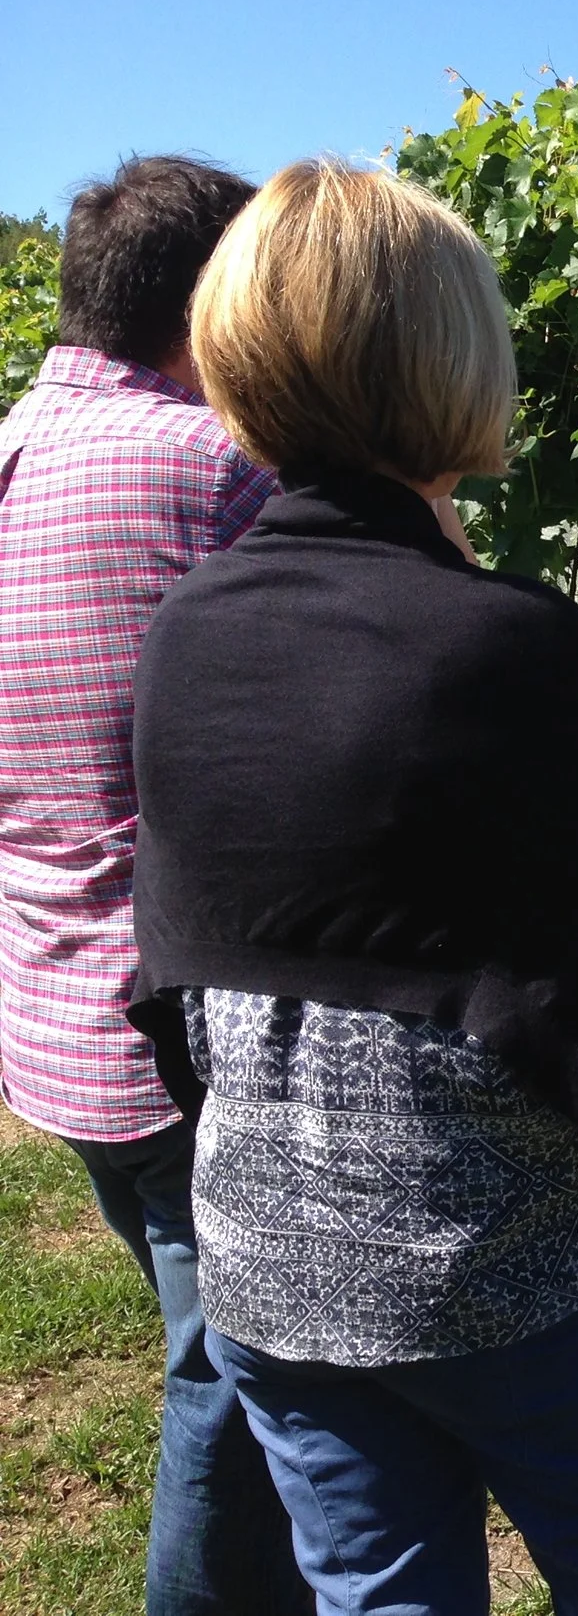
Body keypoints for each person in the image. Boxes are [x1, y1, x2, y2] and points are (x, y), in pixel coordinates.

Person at [125, 158, 578, 1615]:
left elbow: (174, 957)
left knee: (377, 1592)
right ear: (456, 357)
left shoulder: (190, 629)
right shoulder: (506, 646)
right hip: (510, 1250)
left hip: (263, 1244)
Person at [0, 155, 310, 1615]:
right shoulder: (216, 469)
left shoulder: (10, 453)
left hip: (54, 1019)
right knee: (236, 1384)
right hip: (189, 1027)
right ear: (213, 300)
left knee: (215, 1346)